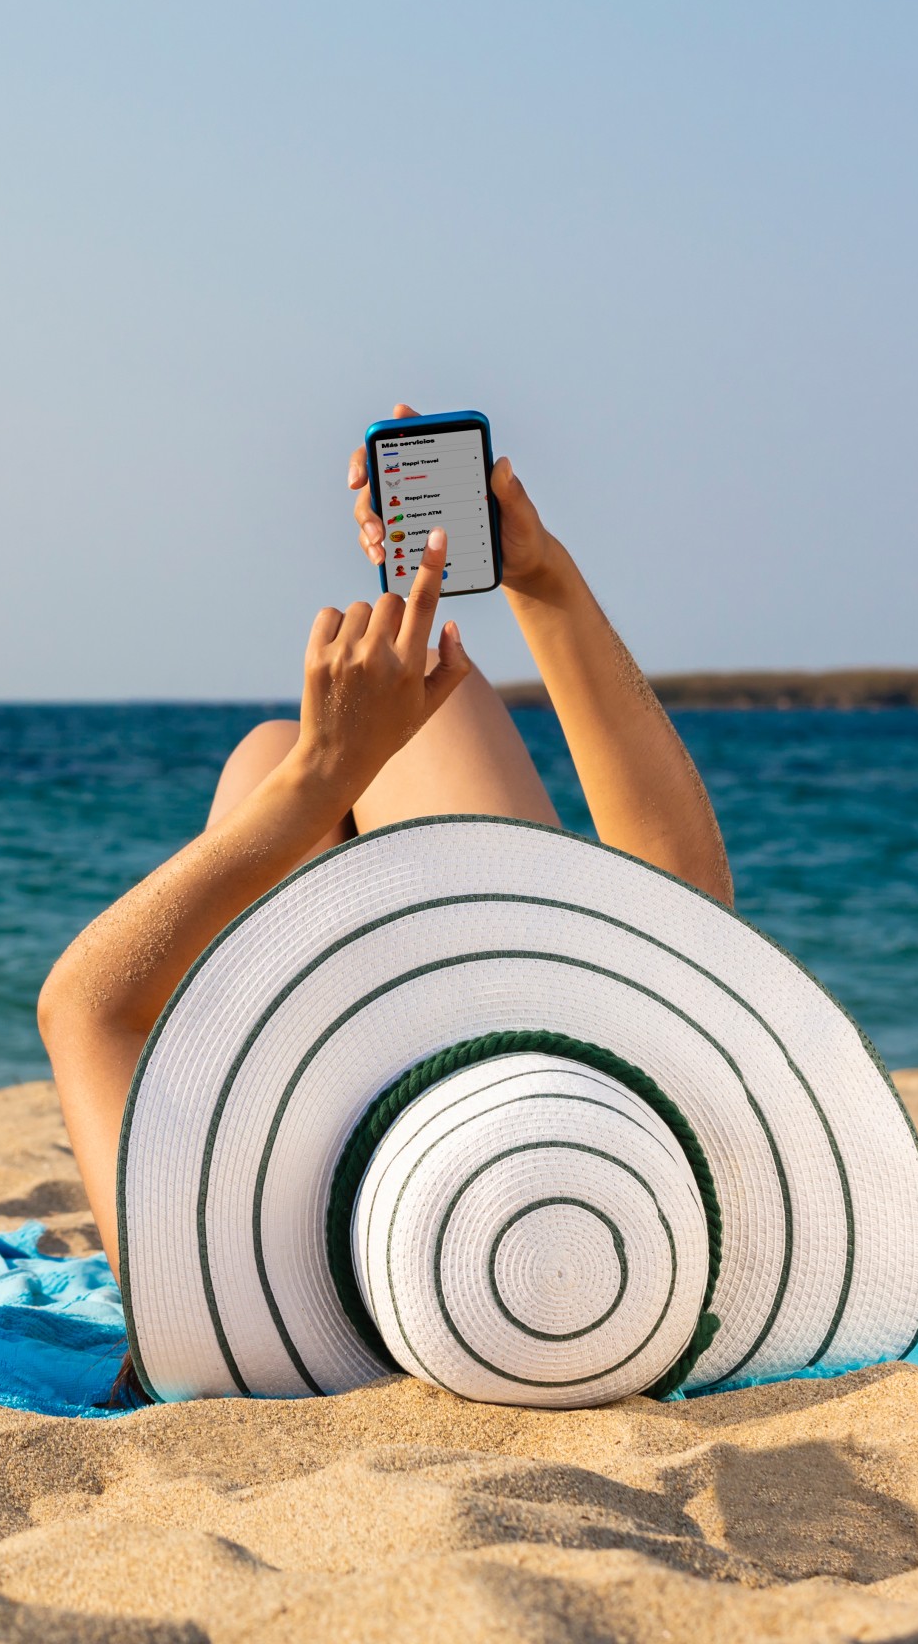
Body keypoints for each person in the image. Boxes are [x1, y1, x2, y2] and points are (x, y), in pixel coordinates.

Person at [37, 406, 732, 1277]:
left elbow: (81, 1007)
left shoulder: (216, 1341)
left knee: (272, 759)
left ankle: (310, 784)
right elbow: (690, 917)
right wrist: (541, 575)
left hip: (440, 1167)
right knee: (367, 739)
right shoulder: (214, 1326)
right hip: (532, 1163)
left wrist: (323, 770)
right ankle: (314, 786)